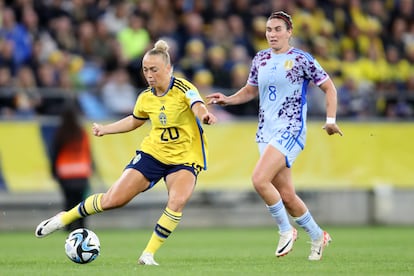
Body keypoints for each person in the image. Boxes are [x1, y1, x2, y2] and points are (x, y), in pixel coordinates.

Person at [35, 39, 217, 266]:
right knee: (113, 200)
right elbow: (135, 120)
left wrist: (205, 116)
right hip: (154, 153)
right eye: (145, 70)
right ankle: (63, 218)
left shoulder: (184, 88)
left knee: (177, 201)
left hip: (186, 157)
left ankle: (148, 254)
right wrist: (105, 129)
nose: (149, 75)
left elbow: (197, 105)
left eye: (154, 70)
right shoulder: (146, 97)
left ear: (168, 69)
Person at [207, 11, 343, 261]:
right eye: (269, 30)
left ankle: (285, 230)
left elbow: (329, 87)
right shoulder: (260, 59)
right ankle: (317, 235)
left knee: (259, 180)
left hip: (290, 129)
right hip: (265, 132)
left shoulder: (302, 59)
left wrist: (330, 120)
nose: (272, 34)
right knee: (287, 196)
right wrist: (228, 99)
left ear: (289, 32)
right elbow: (250, 91)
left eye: (278, 29)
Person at [50, 101, 93, 232]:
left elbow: (54, 153)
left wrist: (53, 171)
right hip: (81, 172)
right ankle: (81, 226)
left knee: (68, 201)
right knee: (81, 202)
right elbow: (87, 151)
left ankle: (68, 226)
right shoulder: (81, 132)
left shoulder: (60, 133)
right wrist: (91, 167)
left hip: (65, 173)